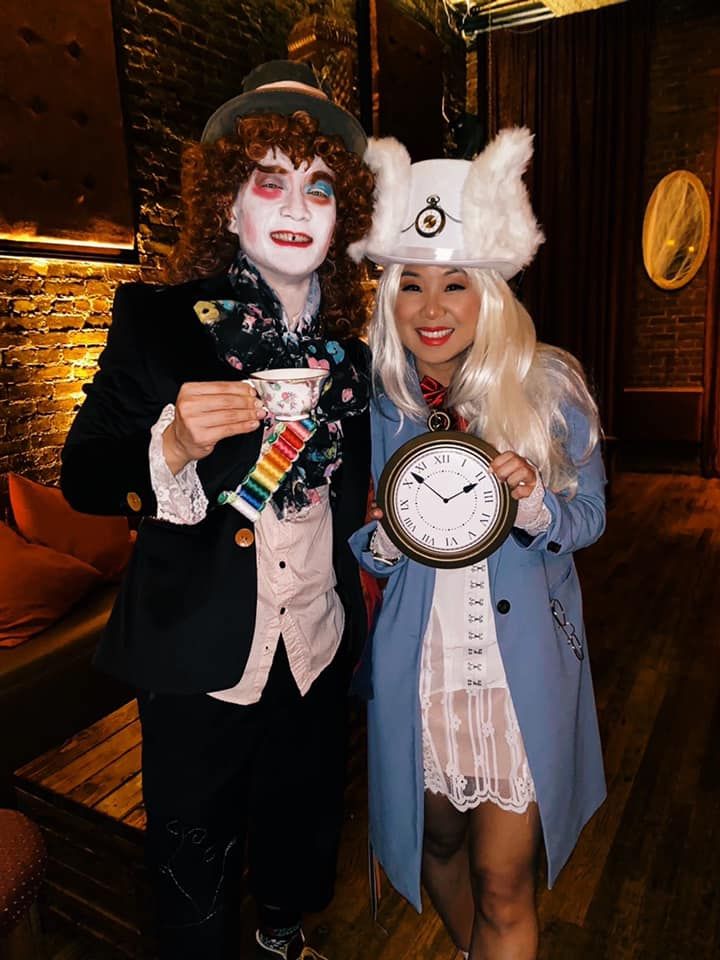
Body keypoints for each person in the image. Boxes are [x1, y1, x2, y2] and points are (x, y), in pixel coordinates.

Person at [60, 61, 376, 960]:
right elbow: (83, 472)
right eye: (269, 180)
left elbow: (359, 494)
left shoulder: (349, 357)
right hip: (197, 651)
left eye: (319, 187)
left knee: (300, 823)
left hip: (315, 644)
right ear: (229, 205)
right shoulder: (157, 321)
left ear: (340, 216)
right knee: (192, 870)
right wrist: (169, 445)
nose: (294, 204)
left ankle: (282, 935)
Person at [348, 128, 607, 960]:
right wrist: (383, 541)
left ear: (489, 290)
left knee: (506, 880)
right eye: (411, 285)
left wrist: (532, 502)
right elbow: (362, 539)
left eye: (454, 284)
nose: (430, 308)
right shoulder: (384, 405)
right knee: (438, 851)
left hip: (515, 671)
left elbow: (589, 520)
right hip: (419, 671)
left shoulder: (549, 385)